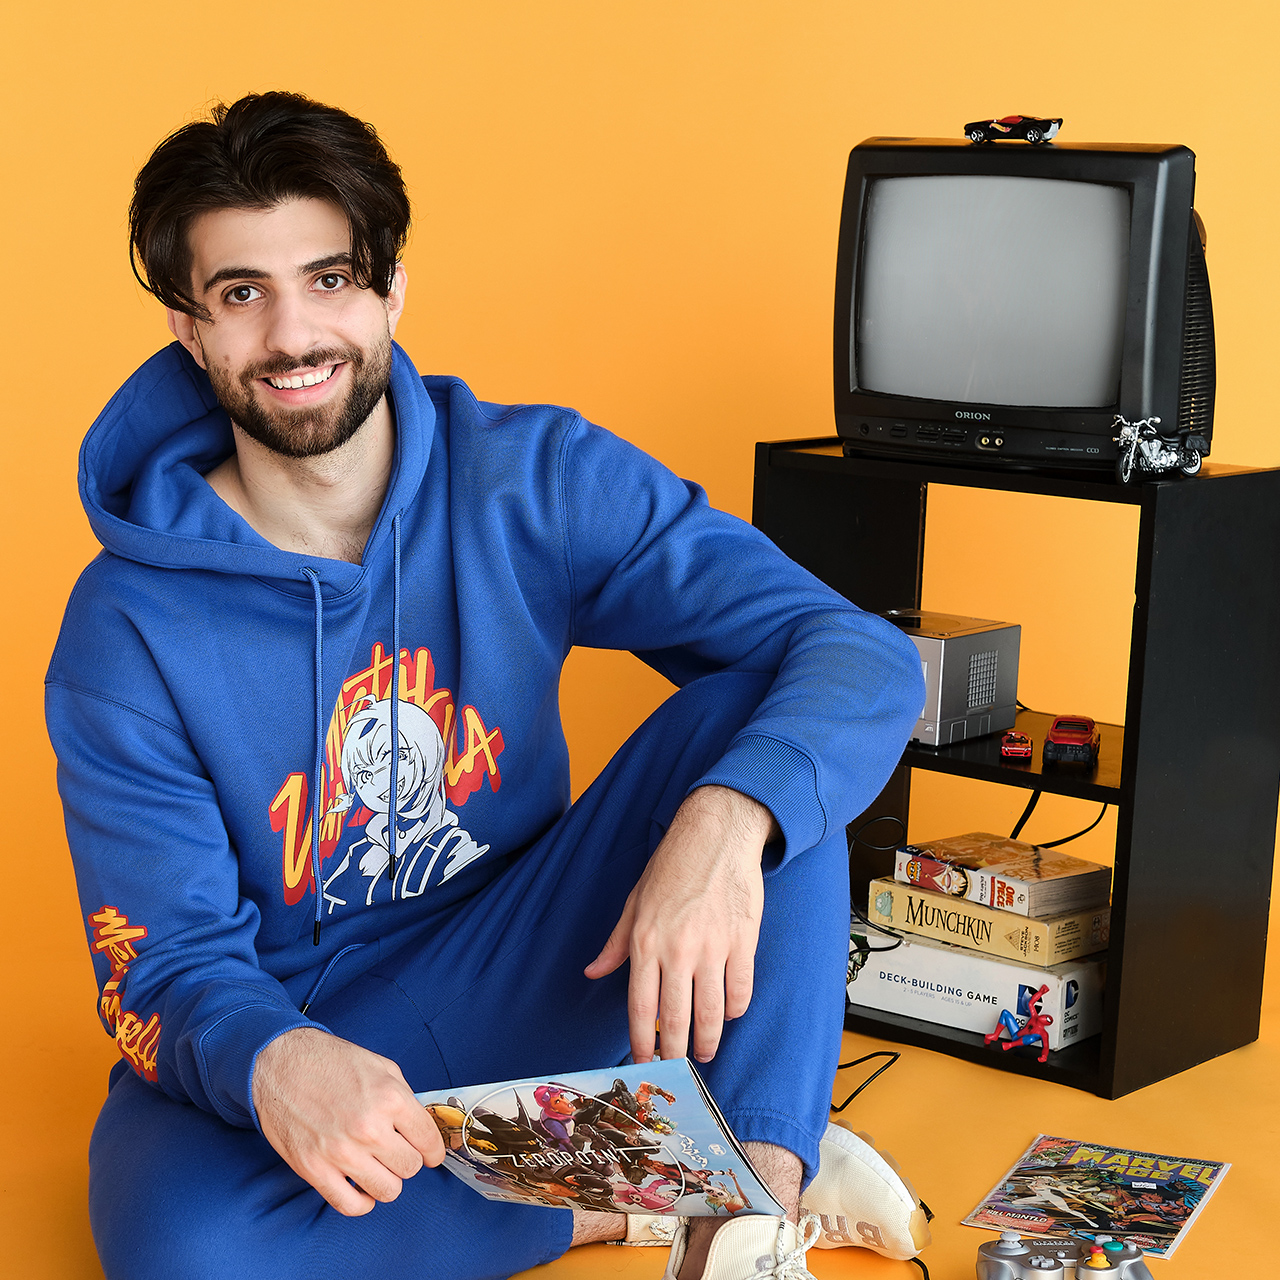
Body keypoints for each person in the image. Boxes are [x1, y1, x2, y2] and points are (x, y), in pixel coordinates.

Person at [46, 92, 925, 1280]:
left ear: (392, 288)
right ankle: (649, 1172)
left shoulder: (528, 477)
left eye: (332, 278)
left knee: (763, 721)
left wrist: (725, 822)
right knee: (181, 1250)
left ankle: (749, 1206)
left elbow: (851, 649)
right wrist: (272, 1061)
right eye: (242, 293)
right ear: (190, 330)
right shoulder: (127, 623)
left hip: (542, 970)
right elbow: (161, 961)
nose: (296, 334)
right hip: (306, 1018)